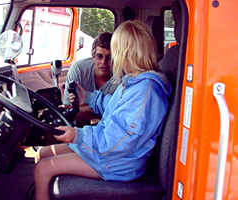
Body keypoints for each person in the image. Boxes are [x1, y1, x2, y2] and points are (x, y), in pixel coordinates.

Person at [34, 20, 171, 200]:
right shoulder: (132, 82)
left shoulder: (146, 91)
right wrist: (89, 98)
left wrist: (78, 135)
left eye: (114, 52)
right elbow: (113, 108)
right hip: (111, 153)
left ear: (125, 53)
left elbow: (120, 140)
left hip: (119, 163)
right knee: (42, 153)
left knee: (43, 169)